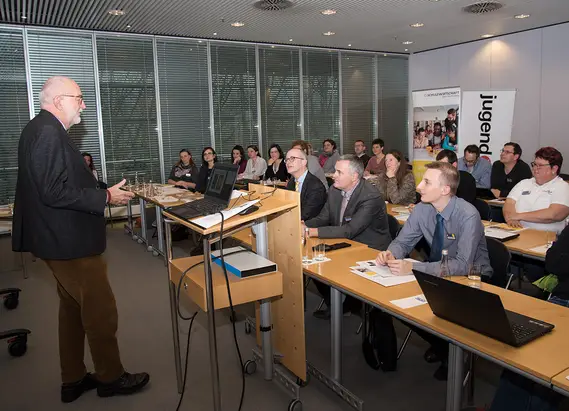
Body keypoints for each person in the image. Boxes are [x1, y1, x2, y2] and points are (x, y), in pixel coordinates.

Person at [12, 76, 149, 403]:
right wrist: (103, 197)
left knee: (72, 310)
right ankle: (111, 377)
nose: (84, 104)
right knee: (101, 311)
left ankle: (72, 378)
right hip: (69, 241)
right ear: (59, 100)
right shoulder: (48, 132)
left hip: (57, 239)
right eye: (79, 98)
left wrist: (101, 194)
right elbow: (54, 191)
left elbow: (55, 185)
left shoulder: (41, 128)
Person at [376, 162, 492, 380]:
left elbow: (463, 265)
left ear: (445, 189)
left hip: (472, 277)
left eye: (427, 182)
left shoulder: (468, 214)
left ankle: (452, 350)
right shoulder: (422, 209)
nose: (419, 187)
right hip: (436, 269)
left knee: (436, 307)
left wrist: (415, 267)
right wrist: (391, 253)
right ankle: (443, 346)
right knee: (397, 306)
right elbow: (403, 241)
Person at [304, 154, 392, 319]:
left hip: (370, 250)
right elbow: (324, 218)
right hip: (345, 244)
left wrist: (311, 232)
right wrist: (303, 224)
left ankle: (349, 305)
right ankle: (339, 305)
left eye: (338, 172)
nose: (333, 175)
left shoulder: (370, 195)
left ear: (354, 177)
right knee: (313, 265)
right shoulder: (334, 189)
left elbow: (350, 230)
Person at [503, 147, 569, 232]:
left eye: (540, 165)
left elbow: (554, 214)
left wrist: (518, 216)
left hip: (546, 237)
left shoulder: (562, 186)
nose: (535, 168)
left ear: (554, 169)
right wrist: (510, 219)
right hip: (516, 231)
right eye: (534, 164)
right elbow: (509, 203)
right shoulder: (524, 183)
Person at [285, 148, 327, 220]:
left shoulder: (316, 186)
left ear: (304, 162)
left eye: (292, 158)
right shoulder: (291, 183)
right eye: (286, 159)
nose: (288, 162)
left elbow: (307, 215)